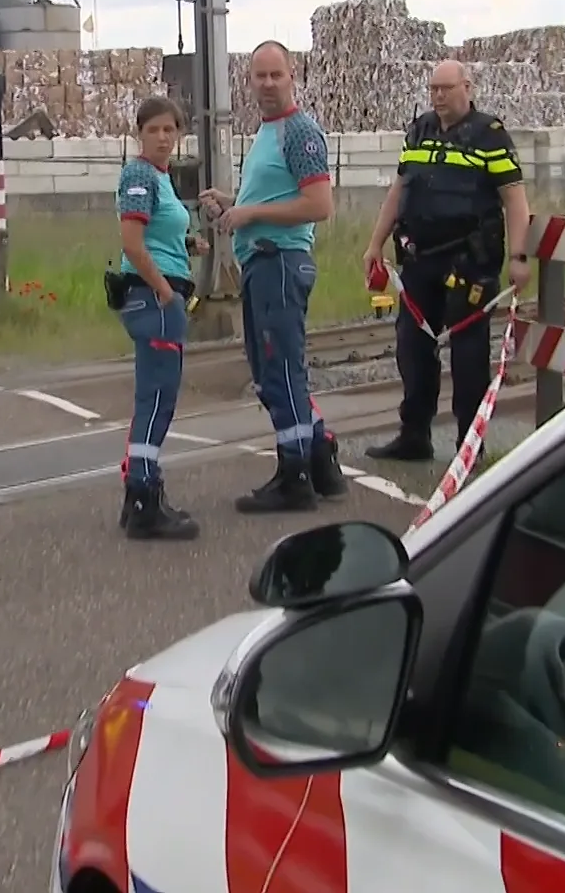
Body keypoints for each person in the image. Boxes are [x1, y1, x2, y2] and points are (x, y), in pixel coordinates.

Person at [198, 40, 348, 513]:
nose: (266, 84)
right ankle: (319, 457)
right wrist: (232, 204)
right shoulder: (267, 132)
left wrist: (248, 215)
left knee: (280, 369)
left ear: (292, 75)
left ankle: (294, 474)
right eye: (259, 76)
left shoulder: (299, 132)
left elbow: (318, 205)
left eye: (275, 75)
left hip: (279, 261)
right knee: (271, 370)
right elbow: (268, 200)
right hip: (262, 263)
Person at [363, 60, 531, 461]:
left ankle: (467, 444)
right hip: (419, 261)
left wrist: (520, 257)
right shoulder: (418, 131)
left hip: (469, 263)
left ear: (466, 87)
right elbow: (399, 190)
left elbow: (515, 199)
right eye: (433, 89)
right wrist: (375, 244)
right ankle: (414, 435)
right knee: (412, 349)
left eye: (445, 88)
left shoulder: (490, 136)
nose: (438, 96)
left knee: (468, 357)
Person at [112, 96, 203, 541]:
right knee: (156, 400)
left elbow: (158, 235)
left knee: (157, 398)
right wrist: (166, 292)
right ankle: (144, 495)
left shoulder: (162, 178)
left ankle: (141, 494)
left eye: (170, 130)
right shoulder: (140, 174)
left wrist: (190, 247)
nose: (163, 138)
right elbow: (132, 243)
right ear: (140, 133)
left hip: (160, 292)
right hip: (154, 298)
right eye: (154, 130)